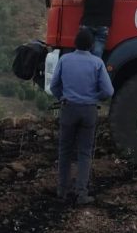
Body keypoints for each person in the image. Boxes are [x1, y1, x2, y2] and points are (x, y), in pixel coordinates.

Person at [49, 27, 115, 205]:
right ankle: (81, 193)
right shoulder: (97, 63)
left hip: (68, 109)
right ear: (92, 45)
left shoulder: (65, 60)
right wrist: (94, 97)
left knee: (65, 151)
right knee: (84, 153)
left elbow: (54, 85)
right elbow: (108, 91)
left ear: (75, 43)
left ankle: (62, 191)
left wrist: (62, 97)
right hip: (88, 111)